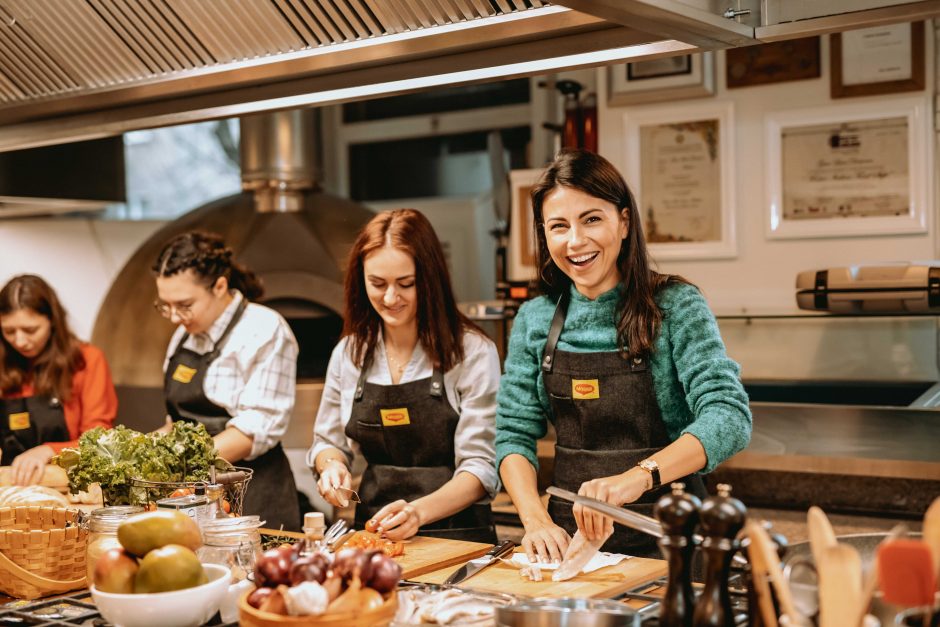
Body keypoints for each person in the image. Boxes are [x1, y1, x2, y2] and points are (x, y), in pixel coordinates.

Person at [496, 149, 752, 562]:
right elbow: (512, 433)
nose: (575, 242)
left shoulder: (675, 306)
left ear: (624, 221)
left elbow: (729, 416)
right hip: (570, 543)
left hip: (671, 536)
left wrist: (638, 477)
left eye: (592, 219)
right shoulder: (534, 318)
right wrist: (535, 521)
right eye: (558, 226)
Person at [309, 209, 500, 543]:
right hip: (373, 534)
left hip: (458, 538)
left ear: (430, 280)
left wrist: (418, 512)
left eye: (406, 284)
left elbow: (481, 467)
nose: (390, 298)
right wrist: (331, 467)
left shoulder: (472, 352)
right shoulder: (349, 353)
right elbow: (329, 443)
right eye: (377, 284)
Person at [153, 231, 300, 530]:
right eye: (165, 306)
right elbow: (177, 424)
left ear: (220, 286)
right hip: (192, 497)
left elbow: (251, 432)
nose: (173, 317)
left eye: (184, 304)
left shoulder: (265, 329)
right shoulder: (184, 334)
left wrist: (174, 468)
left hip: (252, 496)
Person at [0, 274, 117, 485]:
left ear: (52, 321)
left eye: (30, 330)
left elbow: (100, 440)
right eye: (9, 331)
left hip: (68, 487)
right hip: (9, 489)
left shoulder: (87, 360)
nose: (20, 341)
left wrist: (49, 451)